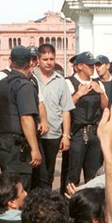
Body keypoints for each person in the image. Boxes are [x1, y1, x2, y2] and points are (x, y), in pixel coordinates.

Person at [0, 46, 42, 190]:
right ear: (30, 63)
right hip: (17, 147)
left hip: (2, 143)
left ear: (11, 62)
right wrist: (34, 148)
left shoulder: (2, 83)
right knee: (19, 192)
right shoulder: (24, 85)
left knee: (7, 189)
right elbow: (26, 118)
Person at [33, 43, 74, 190]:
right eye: (45, 59)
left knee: (48, 173)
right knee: (34, 172)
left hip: (53, 134)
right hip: (33, 133)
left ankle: (46, 204)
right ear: (38, 59)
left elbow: (66, 110)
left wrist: (66, 135)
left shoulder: (60, 80)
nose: (49, 62)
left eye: (52, 58)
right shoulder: (31, 78)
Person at [66, 51, 107, 185]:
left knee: (94, 173)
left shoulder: (97, 83)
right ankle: (69, 202)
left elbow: (105, 106)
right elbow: (65, 107)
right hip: (77, 132)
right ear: (79, 66)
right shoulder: (69, 82)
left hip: (94, 132)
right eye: (89, 65)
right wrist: (78, 94)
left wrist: (101, 93)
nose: (92, 67)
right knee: (73, 173)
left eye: (93, 65)